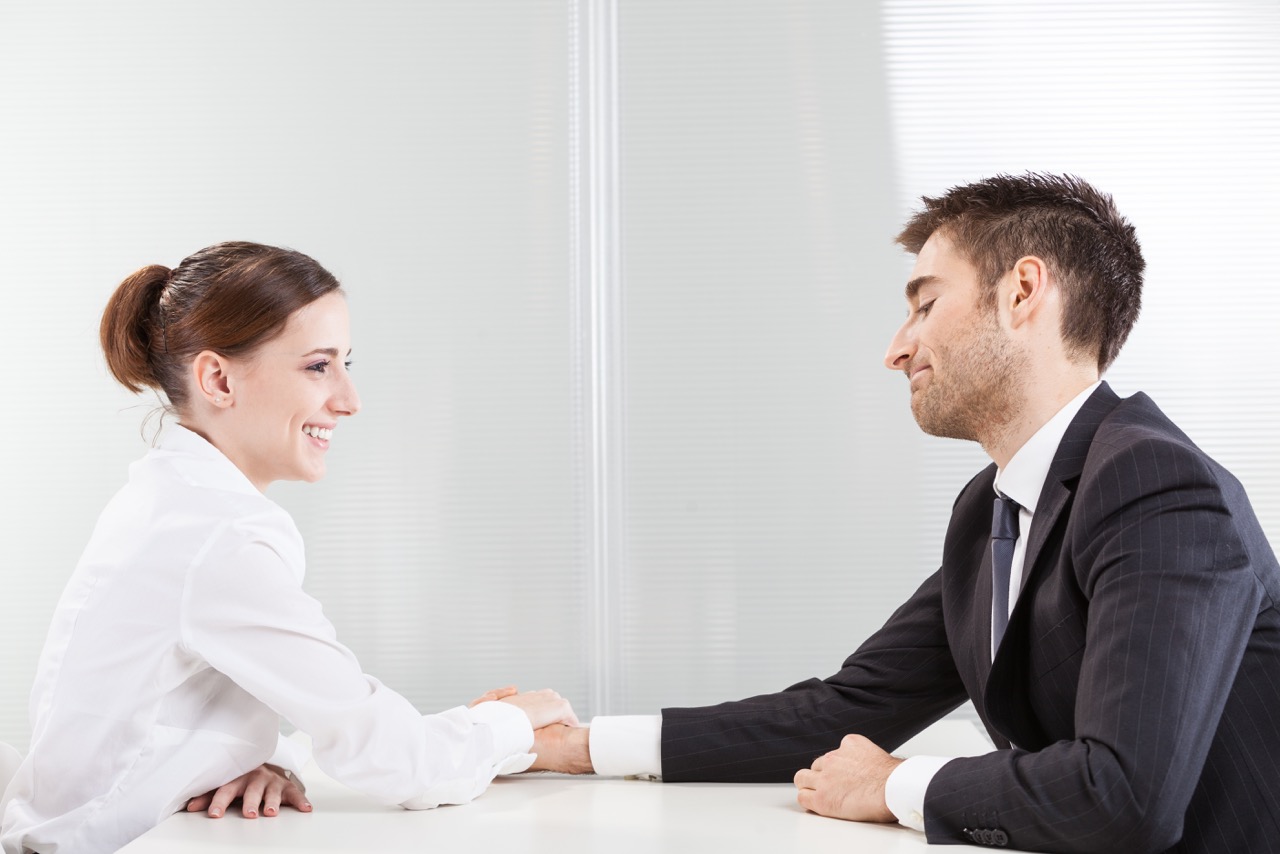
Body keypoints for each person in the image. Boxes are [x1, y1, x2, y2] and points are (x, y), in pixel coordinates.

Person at [528, 173, 1280, 853]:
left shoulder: (1157, 485)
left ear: (1022, 293)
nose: (897, 349)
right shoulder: (993, 508)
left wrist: (895, 786)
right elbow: (841, 714)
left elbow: (1124, 798)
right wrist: (580, 744)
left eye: (925, 303)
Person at [0, 242, 577, 854]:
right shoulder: (217, 535)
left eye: (345, 363)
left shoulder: (174, 498)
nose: (349, 400)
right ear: (217, 379)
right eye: (318, 367)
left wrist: (264, 759)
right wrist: (512, 726)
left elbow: (160, 711)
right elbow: (395, 761)